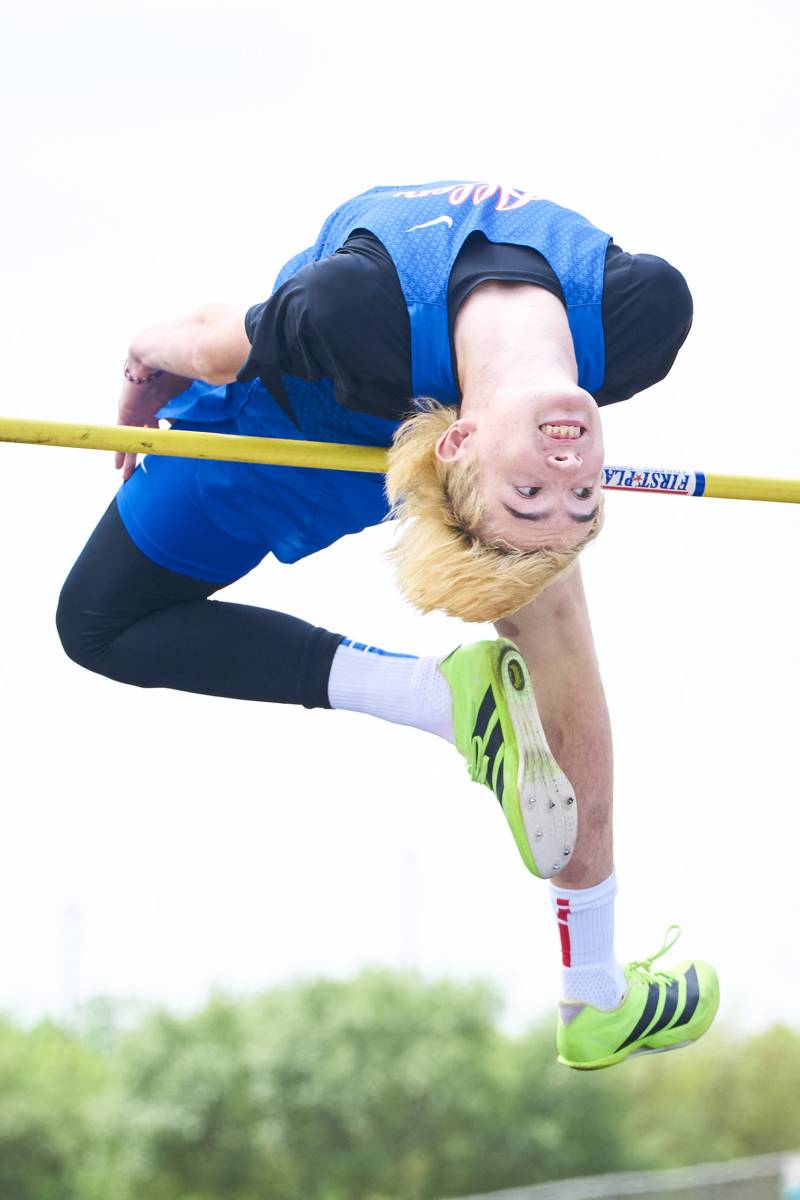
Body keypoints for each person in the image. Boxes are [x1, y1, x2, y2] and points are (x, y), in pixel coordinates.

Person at [56, 180, 718, 1069]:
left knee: (98, 621)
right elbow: (529, 486)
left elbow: (215, 346)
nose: (567, 469)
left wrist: (142, 361)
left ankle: (444, 712)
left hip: (308, 413)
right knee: (548, 583)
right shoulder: (643, 317)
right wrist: (533, 506)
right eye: (579, 492)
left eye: (535, 486)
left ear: (458, 443)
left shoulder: (349, 313)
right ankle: (596, 989)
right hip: (345, 422)